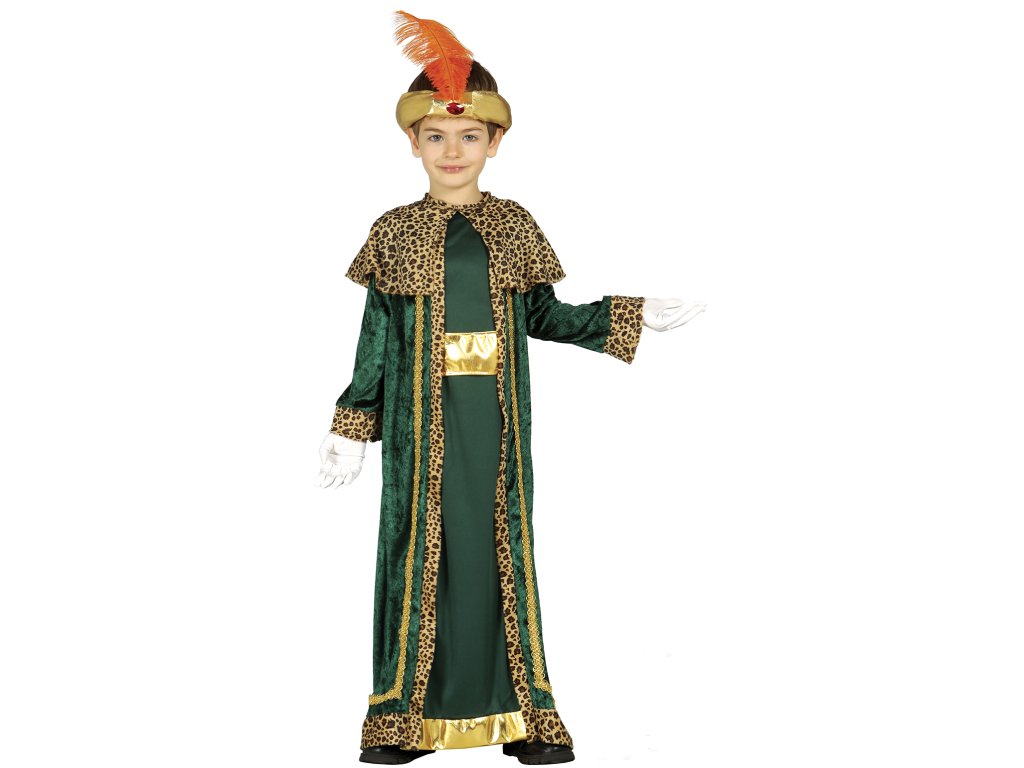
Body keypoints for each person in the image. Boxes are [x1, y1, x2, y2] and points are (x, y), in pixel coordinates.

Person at [314, 11, 706, 766]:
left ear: (494, 142)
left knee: (499, 553)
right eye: (436, 136)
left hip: (494, 425)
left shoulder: (514, 225)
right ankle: (404, 720)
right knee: (418, 553)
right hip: (421, 430)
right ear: (413, 142)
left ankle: (524, 715)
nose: (452, 151)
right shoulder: (392, 231)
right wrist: (350, 427)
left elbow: (544, 316)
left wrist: (630, 313)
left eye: (469, 137)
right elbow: (377, 339)